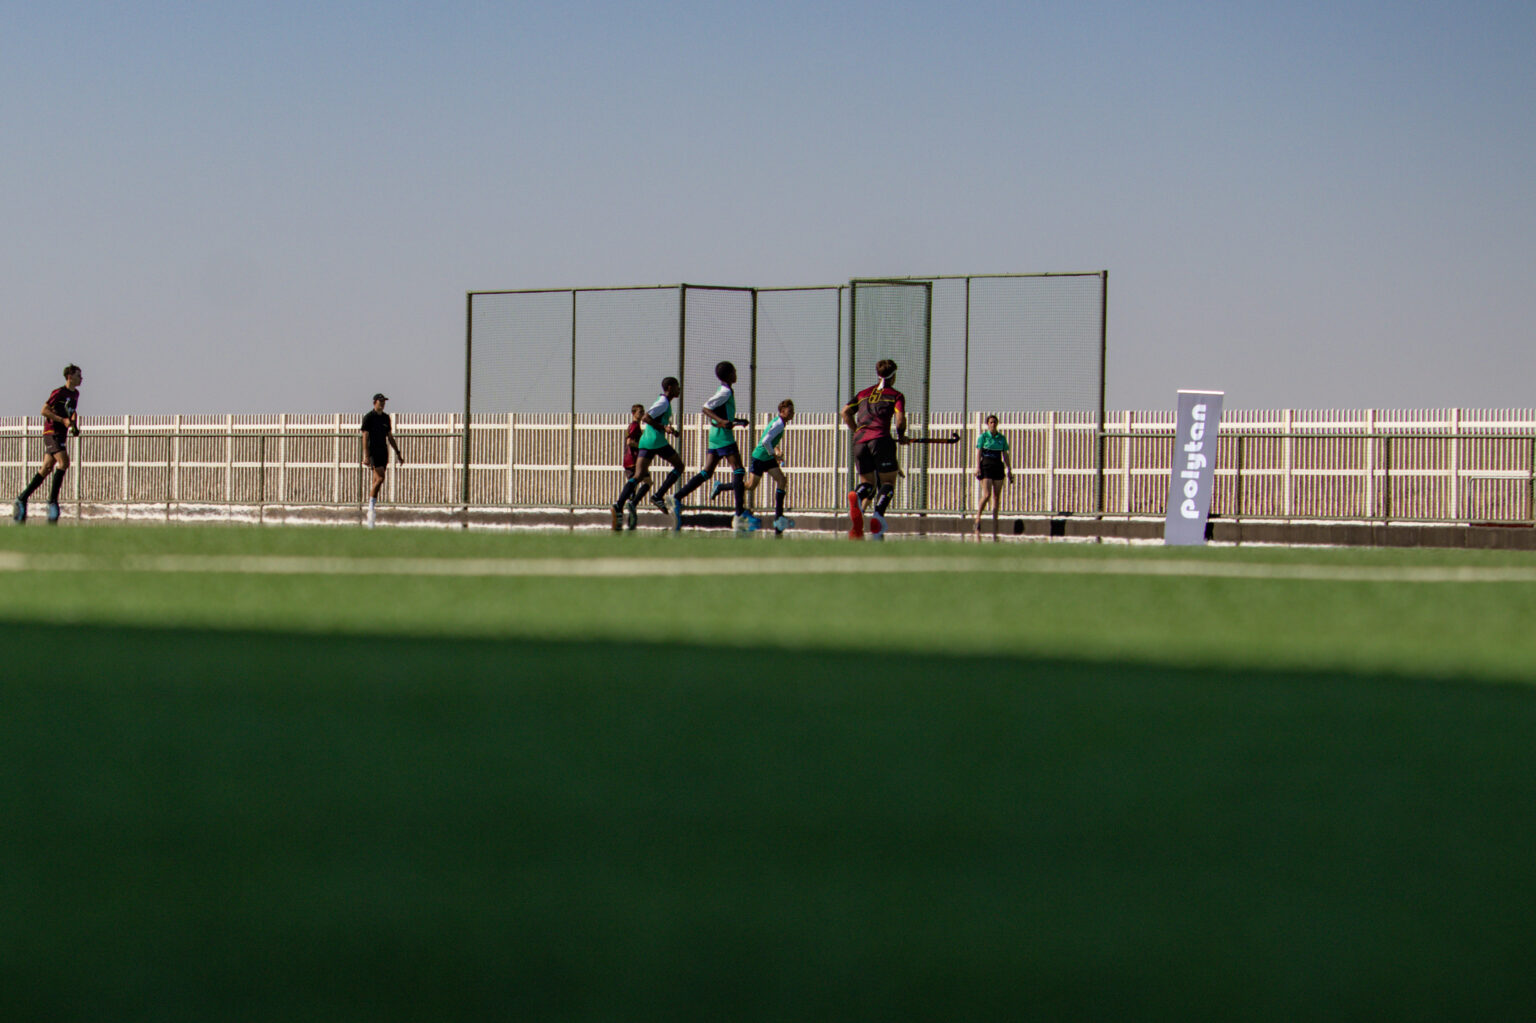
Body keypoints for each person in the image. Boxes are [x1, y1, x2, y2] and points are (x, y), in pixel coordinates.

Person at [669, 361, 757, 532]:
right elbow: (706, 408)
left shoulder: (723, 390)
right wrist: (723, 421)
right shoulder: (725, 391)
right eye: (735, 371)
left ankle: (677, 497)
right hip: (723, 437)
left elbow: (719, 412)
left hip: (715, 436)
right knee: (738, 470)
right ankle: (740, 514)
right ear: (729, 375)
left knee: (707, 472)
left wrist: (736, 421)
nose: (737, 374)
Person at [840, 358, 906, 540]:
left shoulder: (863, 393)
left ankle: (858, 497)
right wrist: (901, 437)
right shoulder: (896, 395)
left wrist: (858, 430)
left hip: (859, 442)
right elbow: (900, 420)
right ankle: (877, 516)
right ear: (893, 376)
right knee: (888, 483)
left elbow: (845, 412)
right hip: (881, 440)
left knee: (868, 484)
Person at [13, 364, 82, 525]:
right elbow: (44, 410)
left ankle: (21, 499)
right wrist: (61, 420)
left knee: (46, 468)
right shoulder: (58, 392)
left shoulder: (76, 394)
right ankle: (52, 502)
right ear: (70, 377)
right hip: (51, 433)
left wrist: (73, 425)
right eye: (79, 375)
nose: (81, 378)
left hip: (62, 433)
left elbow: (71, 412)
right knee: (64, 462)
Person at [611, 377, 683, 530]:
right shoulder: (663, 402)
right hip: (656, 441)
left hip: (646, 441)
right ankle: (658, 496)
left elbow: (653, 420)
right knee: (679, 466)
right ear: (669, 388)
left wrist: (667, 429)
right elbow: (646, 417)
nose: (679, 389)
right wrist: (663, 428)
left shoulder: (664, 402)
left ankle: (618, 505)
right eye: (677, 386)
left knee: (638, 476)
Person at [744, 399, 796, 535]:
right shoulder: (779, 424)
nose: (792, 413)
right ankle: (721, 487)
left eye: (793, 411)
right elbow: (765, 441)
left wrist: (776, 451)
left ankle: (779, 516)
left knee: (782, 480)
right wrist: (775, 455)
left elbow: (771, 441)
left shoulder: (780, 423)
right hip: (761, 457)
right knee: (750, 486)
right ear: (782, 412)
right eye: (790, 411)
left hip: (768, 457)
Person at [359, 393, 404, 527]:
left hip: (383, 451)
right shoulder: (369, 417)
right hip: (373, 452)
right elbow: (365, 437)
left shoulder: (385, 418)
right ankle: (371, 507)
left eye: (384, 401)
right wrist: (366, 455)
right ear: (375, 403)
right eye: (380, 401)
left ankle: (372, 505)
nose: (383, 404)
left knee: (376, 480)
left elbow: (389, 437)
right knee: (380, 479)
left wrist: (398, 453)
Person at [973, 414, 1013, 537]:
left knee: (996, 497)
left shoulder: (1001, 438)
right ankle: (978, 518)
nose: (993, 424)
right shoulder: (983, 437)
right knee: (987, 494)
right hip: (986, 466)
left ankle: (995, 522)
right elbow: (979, 452)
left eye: (995, 422)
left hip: (997, 466)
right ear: (987, 424)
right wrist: (977, 467)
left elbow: (1005, 454)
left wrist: (1009, 469)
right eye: (991, 422)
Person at [620, 403, 652, 530]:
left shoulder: (635, 426)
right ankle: (631, 504)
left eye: (643, 412)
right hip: (634, 461)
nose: (642, 414)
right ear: (634, 414)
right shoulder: (634, 426)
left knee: (637, 484)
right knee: (647, 482)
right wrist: (642, 445)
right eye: (640, 412)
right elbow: (630, 442)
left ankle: (630, 509)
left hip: (632, 461)